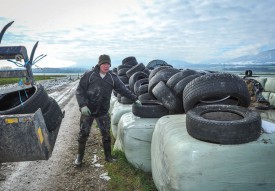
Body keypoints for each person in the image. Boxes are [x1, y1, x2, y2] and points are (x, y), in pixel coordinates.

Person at [74, 54, 140, 166]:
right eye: (104, 64)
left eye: (108, 64)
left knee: (106, 135)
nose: (106, 66)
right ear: (99, 64)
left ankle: (108, 157)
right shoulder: (89, 75)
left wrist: (135, 99)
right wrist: (82, 106)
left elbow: (123, 90)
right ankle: (79, 158)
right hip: (88, 111)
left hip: (103, 112)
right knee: (83, 134)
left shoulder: (112, 78)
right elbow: (79, 91)